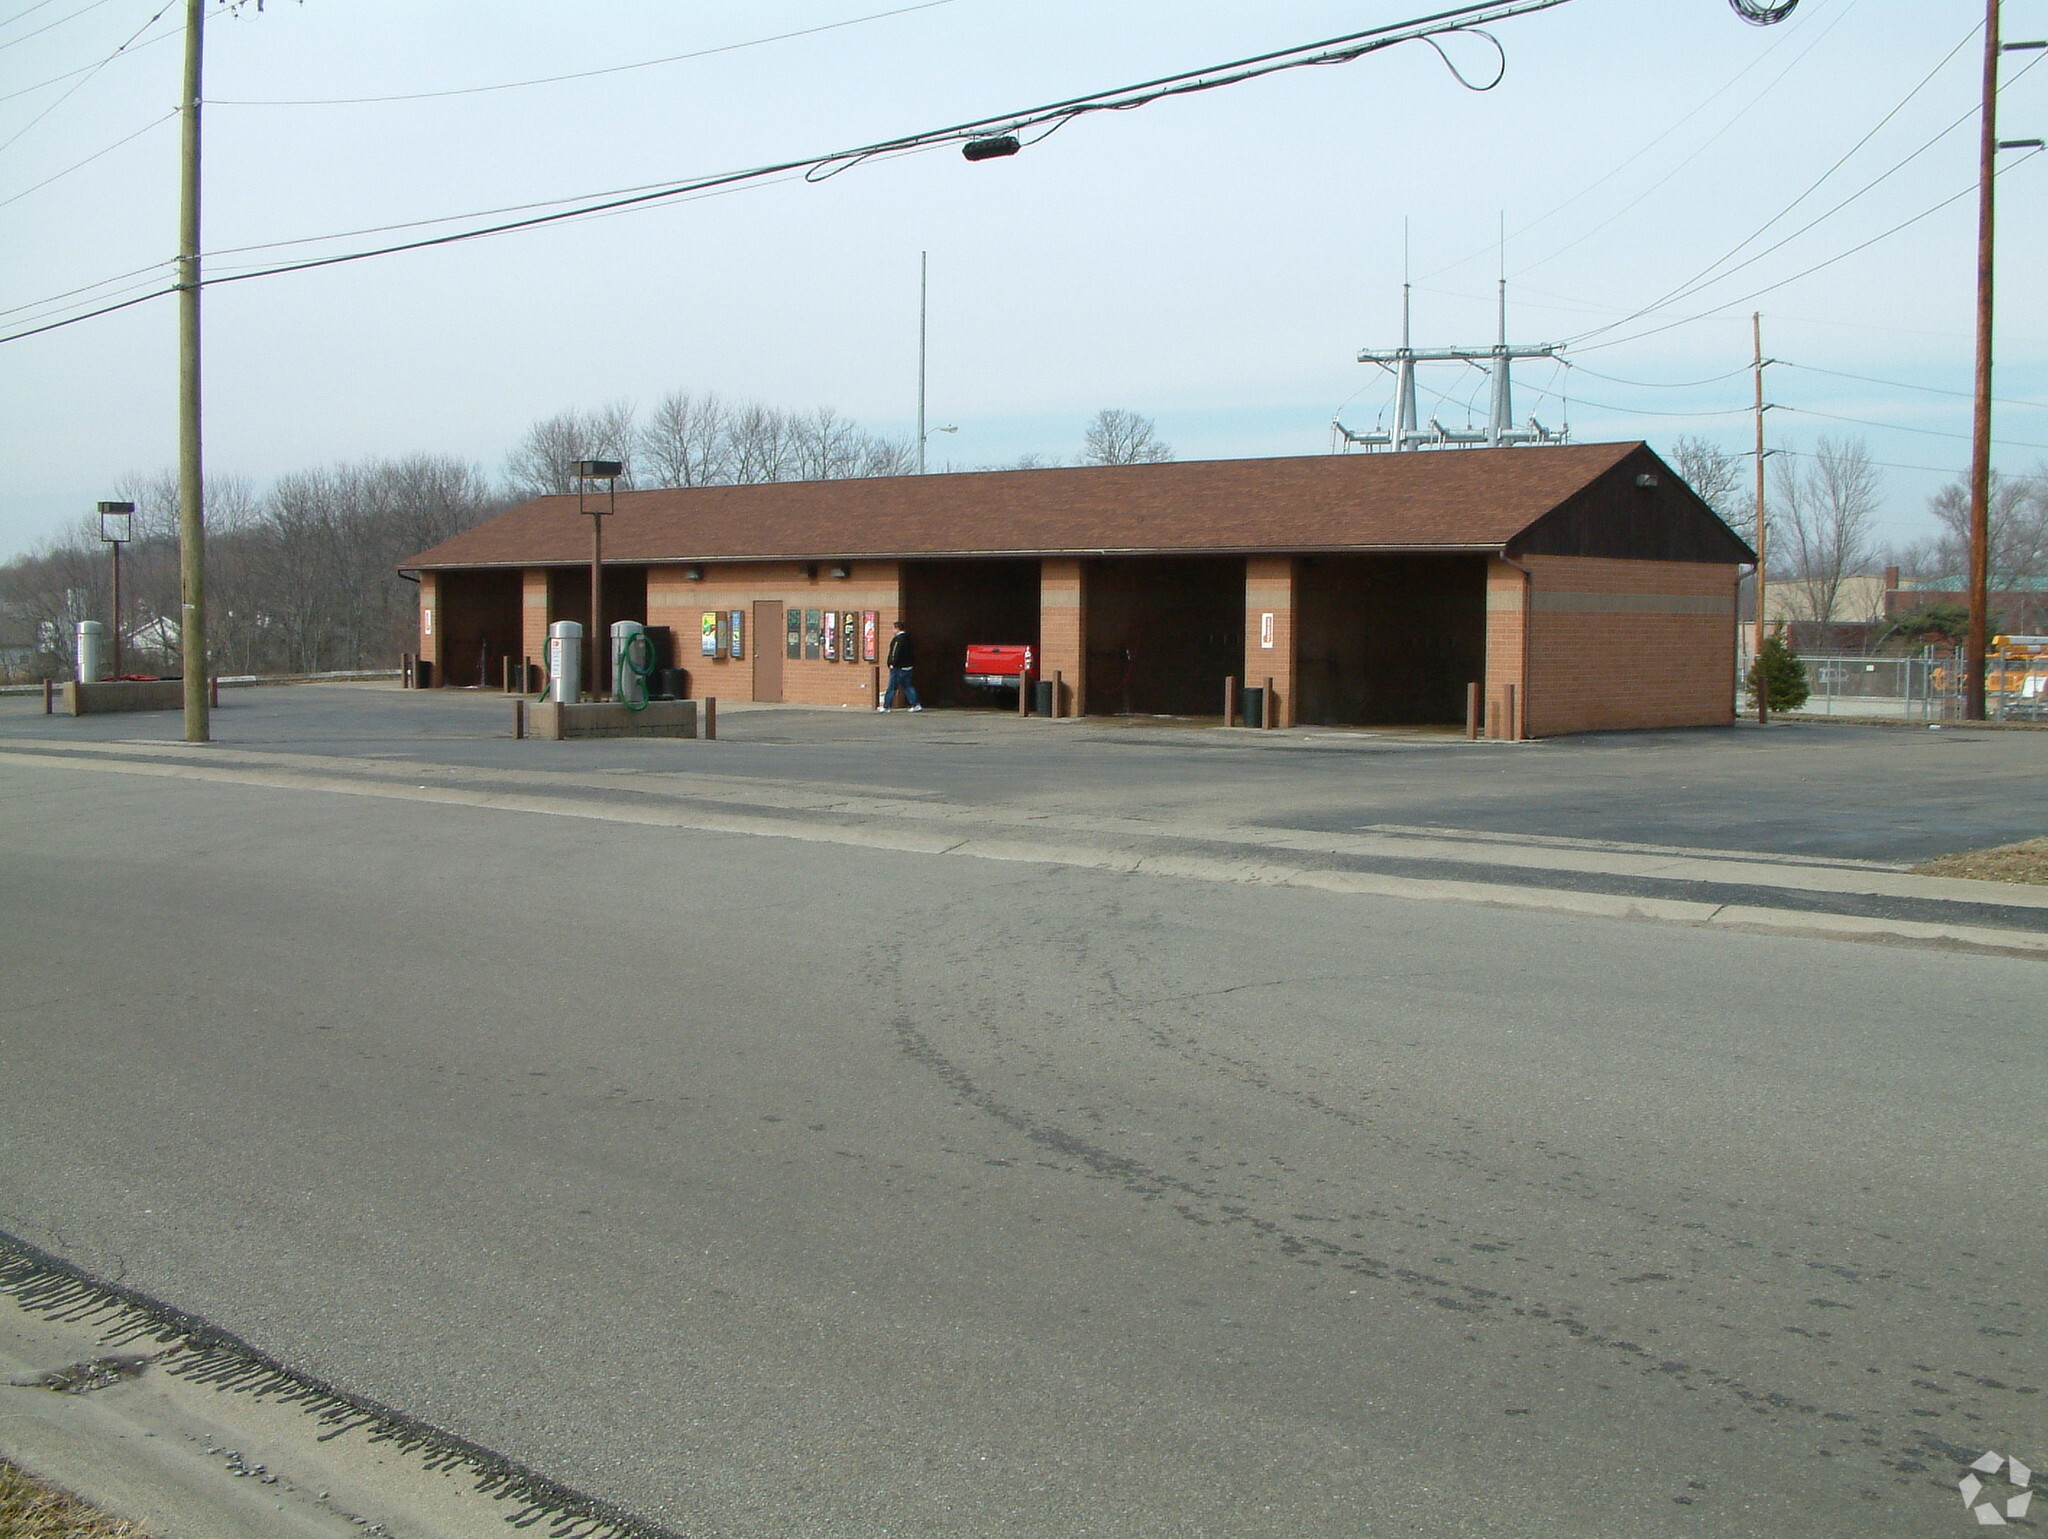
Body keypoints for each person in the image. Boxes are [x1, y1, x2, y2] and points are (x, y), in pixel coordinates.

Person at [878, 619, 922, 711]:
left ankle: (886, 706)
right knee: (908, 686)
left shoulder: (898, 639)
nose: (893, 631)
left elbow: (895, 652)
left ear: (897, 629)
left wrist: (891, 663)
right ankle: (916, 704)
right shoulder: (909, 638)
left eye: (893, 629)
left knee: (892, 687)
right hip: (908, 666)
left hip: (898, 667)